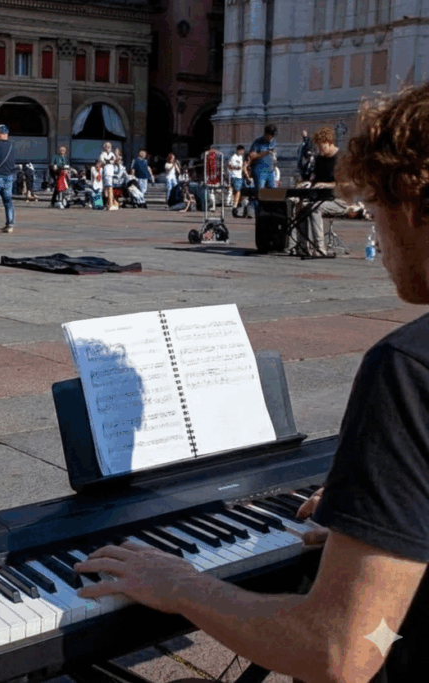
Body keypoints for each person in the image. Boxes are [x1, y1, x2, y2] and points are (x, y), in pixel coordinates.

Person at [75, 82, 429, 683]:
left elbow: (344, 652)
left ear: (414, 204)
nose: (376, 234)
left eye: (374, 209)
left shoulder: (409, 367)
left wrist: (184, 586)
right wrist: (384, 519)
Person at [288, 127, 350, 258]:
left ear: (329, 142)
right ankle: (302, 246)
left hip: (339, 200)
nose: (320, 150)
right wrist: (309, 183)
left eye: (321, 147)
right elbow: (315, 178)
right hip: (321, 198)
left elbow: (346, 184)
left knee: (315, 209)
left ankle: (320, 248)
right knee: (300, 206)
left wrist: (326, 185)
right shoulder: (320, 158)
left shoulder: (341, 158)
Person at [228, 145, 247, 217]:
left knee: (240, 193)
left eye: (243, 151)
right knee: (237, 192)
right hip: (235, 176)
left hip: (240, 176)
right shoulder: (234, 157)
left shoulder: (241, 157)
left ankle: (237, 206)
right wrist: (235, 167)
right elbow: (229, 165)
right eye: (241, 151)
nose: (242, 152)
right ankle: (235, 207)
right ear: (238, 150)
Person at [99, 142, 118, 210]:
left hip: (111, 172)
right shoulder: (103, 154)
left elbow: (115, 161)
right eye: (106, 146)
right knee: (108, 189)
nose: (108, 147)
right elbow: (102, 162)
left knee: (110, 189)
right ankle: (110, 204)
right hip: (106, 172)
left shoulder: (112, 154)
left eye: (109, 146)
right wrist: (109, 161)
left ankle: (110, 204)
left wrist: (116, 155)